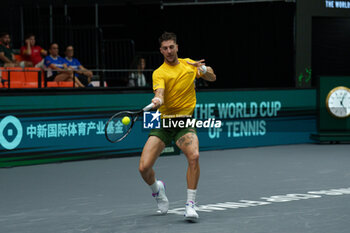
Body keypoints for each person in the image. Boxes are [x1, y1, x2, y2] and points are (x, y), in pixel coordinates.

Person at [139, 32, 216, 221]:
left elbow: (213, 77)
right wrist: (158, 99)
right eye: (165, 48)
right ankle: (158, 190)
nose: (169, 51)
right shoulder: (159, 72)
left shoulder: (189, 64)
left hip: (184, 122)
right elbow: (160, 92)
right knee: (144, 168)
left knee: (194, 156)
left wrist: (204, 69)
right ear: (161, 50)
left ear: (177, 47)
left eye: (171, 47)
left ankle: (190, 205)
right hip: (165, 123)